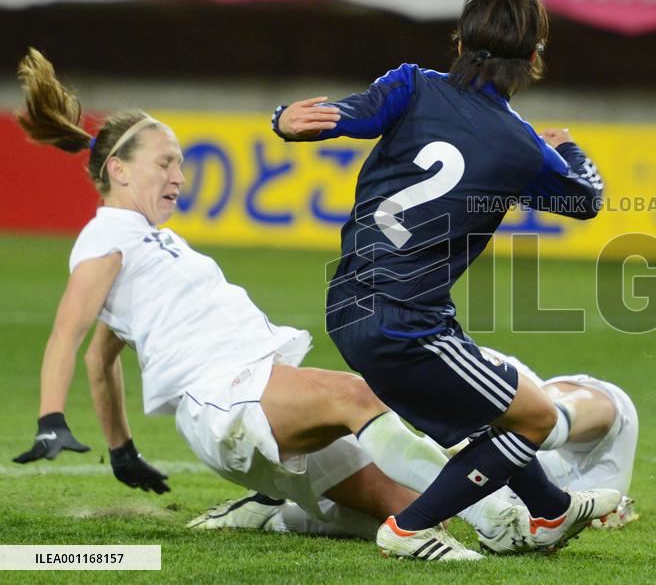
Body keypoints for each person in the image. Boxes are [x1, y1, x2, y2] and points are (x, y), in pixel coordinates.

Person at [11, 48, 527, 560]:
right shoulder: (106, 238)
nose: (178, 177)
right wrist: (51, 417)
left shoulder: (148, 243)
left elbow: (101, 359)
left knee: (400, 502)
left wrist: (122, 452)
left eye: (181, 165)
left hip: (257, 399)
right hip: (230, 399)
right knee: (357, 396)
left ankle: (273, 511)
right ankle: (496, 515)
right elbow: (66, 333)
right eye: (165, 163)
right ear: (119, 171)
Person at [272, 0, 618, 560]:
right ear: (534, 61)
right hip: (406, 323)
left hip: (350, 305)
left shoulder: (412, 83)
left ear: (457, 44)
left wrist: (283, 118)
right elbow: (586, 199)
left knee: (486, 418)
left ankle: (551, 512)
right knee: (535, 418)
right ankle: (409, 529)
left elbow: (341, 116)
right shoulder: (522, 146)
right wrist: (570, 148)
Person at [189, 347, 639, 541]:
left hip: (467, 440)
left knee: (426, 518)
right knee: (549, 422)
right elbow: (552, 419)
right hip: (482, 393)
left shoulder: (602, 482)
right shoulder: (610, 412)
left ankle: (277, 512)